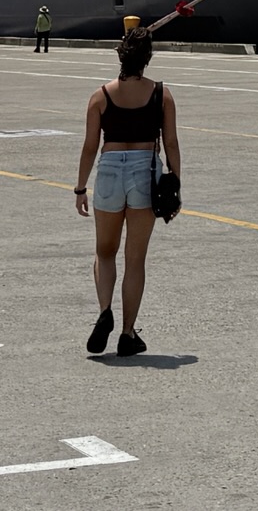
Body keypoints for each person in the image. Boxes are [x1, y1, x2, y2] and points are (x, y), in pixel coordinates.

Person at [74, 28, 182, 358]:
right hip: (144, 171)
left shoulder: (100, 97)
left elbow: (91, 146)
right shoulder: (161, 95)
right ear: (147, 58)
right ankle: (127, 332)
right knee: (135, 259)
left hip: (108, 169)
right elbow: (172, 143)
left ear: (120, 55)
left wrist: (80, 187)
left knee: (104, 251)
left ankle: (105, 311)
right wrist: (175, 181)